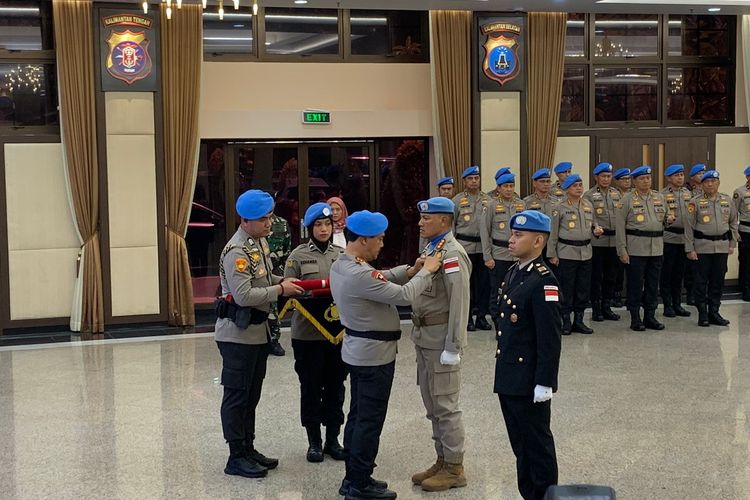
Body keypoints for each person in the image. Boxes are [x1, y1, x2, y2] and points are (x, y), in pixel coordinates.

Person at [330, 210, 442, 500]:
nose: (382, 244)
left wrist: (410, 270)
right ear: (364, 239)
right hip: (374, 356)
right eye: (379, 239)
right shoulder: (358, 273)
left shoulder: (345, 264)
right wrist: (428, 270)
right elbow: (403, 296)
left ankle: (354, 475)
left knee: (357, 416)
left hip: (360, 353)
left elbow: (380, 279)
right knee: (369, 420)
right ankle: (359, 484)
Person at [214, 189, 304, 479]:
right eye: (263, 219)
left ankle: (248, 447)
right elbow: (242, 295)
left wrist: (282, 280)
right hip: (237, 335)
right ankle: (235, 455)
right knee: (237, 395)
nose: (269, 224)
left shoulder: (257, 243)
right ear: (245, 220)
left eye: (269, 217)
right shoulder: (237, 251)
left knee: (251, 395)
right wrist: (280, 290)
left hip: (256, 332)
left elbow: (262, 277)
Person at [494, 210, 562, 500]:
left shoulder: (544, 282)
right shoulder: (514, 271)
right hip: (510, 376)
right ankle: (529, 494)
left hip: (529, 380)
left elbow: (550, 338)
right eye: (512, 234)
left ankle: (545, 495)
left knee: (537, 445)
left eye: (518, 235)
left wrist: (545, 382)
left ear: (538, 241)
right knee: (520, 445)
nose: (511, 240)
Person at [410, 197, 471, 492]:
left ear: (444, 221)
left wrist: (454, 346)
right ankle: (442, 459)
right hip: (424, 338)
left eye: (427, 218)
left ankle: (455, 467)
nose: (421, 222)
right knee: (432, 404)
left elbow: (460, 301)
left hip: (441, 341)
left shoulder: (452, 253)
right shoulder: (431, 248)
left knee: (446, 405)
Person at [284, 203, 347, 463]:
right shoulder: (296, 257)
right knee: (310, 387)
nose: (323, 229)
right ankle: (314, 441)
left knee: (336, 385)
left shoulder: (343, 255)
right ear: (309, 229)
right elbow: (289, 292)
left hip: (337, 335)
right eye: (318, 225)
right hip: (307, 335)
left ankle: (333, 438)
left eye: (327, 224)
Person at [615, 166, 675, 332]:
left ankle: (650, 316)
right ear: (634, 181)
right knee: (635, 284)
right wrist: (622, 250)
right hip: (636, 248)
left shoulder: (659, 197)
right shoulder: (626, 200)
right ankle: (635, 317)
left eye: (648, 178)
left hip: (656, 248)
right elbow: (619, 228)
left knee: (652, 284)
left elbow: (665, 218)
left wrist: (668, 220)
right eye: (642, 178)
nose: (646, 181)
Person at [548, 174, 602, 335]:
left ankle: (579, 320)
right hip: (566, 252)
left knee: (583, 288)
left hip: (585, 252)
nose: (579, 188)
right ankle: (565, 320)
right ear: (566, 189)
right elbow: (553, 233)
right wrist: (552, 254)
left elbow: (594, 223)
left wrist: (597, 230)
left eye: (580, 184)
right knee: (566, 288)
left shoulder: (587, 205)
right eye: (575, 185)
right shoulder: (559, 208)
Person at [685, 170, 739, 327]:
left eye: (713, 181)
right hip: (702, 247)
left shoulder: (727, 200)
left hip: (722, 247)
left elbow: (733, 223)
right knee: (700, 282)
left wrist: (732, 244)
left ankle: (714, 312)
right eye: (706, 182)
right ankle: (703, 313)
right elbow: (689, 228)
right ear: (702, 185)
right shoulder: (694, 202)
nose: (710, 184)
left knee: (718, 281)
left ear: (718, 183)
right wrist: (690, 249)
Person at [452, 166, 493, 332]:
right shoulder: (457, 200)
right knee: (466, 285)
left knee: (483, 285)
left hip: (483, 248)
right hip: (465, 247)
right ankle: (467, 318)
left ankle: (482, 317)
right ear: (464, 181)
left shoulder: (488, 200)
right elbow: (452, 226)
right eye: (470, 178)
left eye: (477, 178)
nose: (474, 181)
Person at [484, 172, 525, 328]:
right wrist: (488, 256)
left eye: (511, 186)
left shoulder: (521, 204)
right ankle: (497, 320)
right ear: (499, 188)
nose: (509, 189)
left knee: (517, 289)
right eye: (506, 186)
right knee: (498, 290)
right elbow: (485, 232)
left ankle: (514, 318)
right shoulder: (491, 205)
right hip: (499, 254)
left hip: (518, 256)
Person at [583, 162, 622, 322]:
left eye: (608, 176)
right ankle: (596, 308)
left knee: (611, 277)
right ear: (596, 177)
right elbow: (588, 217)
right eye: (603, 176)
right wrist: (595, 227)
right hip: (598, 241)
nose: (606, 179)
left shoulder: (617, 194)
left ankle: (607, 307)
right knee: (597, 277)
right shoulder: (589, 196)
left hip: (614, 242)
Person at [659, 164, 692, 318]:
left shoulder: (688, 193)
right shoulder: (662, 195)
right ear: (668, 178)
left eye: (681, 175)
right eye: (676, 175)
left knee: (680, 273)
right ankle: (667, 304)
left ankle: (678, 304)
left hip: (684, 239)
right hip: (669, 238)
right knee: (667, 273)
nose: (680, 178)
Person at [267, 212, 292, 356]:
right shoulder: (254, 221)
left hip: (276, 269)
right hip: (258, 269)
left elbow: (287, 250)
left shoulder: (282, 223)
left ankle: (274, 339)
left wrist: (284, 273)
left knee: (273, 308)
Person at [611, 167, 632, 307]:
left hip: (633, 237)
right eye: (624, 179)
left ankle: (632, 295)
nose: (627, 181)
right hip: (616, 237)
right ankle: (617, 294)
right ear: (617, 181)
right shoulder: (612, 194)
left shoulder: (634, 195)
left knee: (633, 270)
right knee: (616, 270)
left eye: (629, 179)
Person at [733, 166, 750, 302]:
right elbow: (733, 213)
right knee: (746, 261)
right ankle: (745, 289)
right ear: (747, 177)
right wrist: (735, 232)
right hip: (746, 231)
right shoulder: (740, 192)